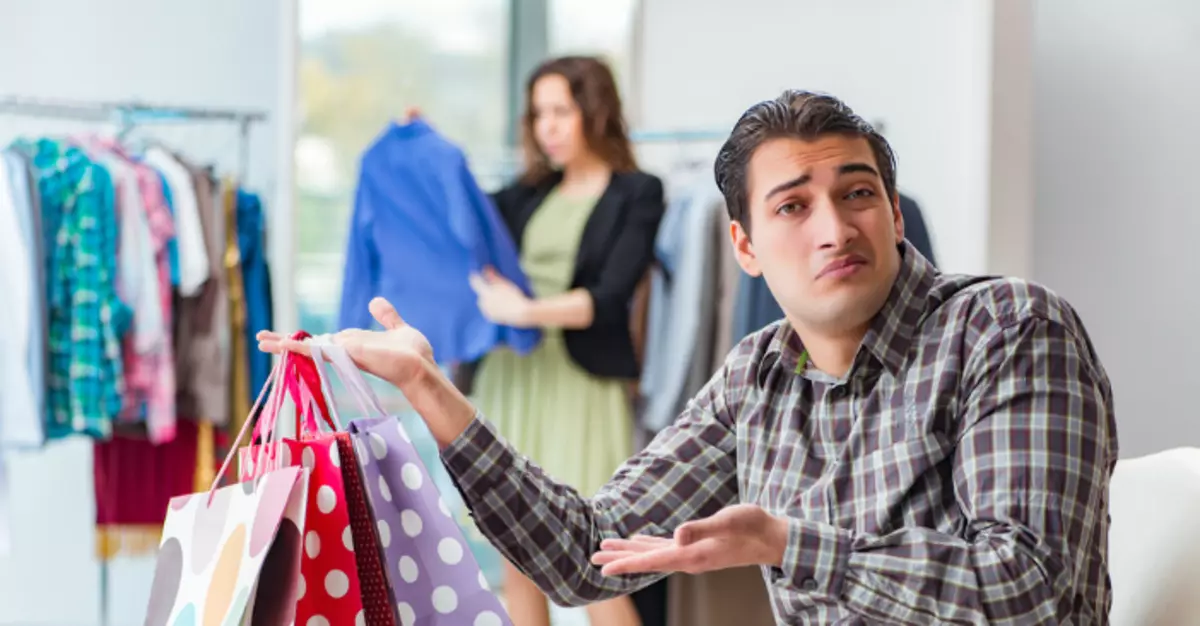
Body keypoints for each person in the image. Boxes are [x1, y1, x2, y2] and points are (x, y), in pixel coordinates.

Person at [260, 90, 1119, 624]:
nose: (834, 226)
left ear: (895, 215)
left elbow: (1031, 592)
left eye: (857, 194)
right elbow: (583, 555)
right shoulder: (758, 375)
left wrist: (789, 544)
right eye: (794, 206)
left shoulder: (1006, 328)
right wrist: (427, 385)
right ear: (744, 248)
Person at [439, 55, 666, 626]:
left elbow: (611, 296)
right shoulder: (522, 195)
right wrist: (426, 145)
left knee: (598, 556)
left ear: (595, 111)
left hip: (581, 386)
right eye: (540, 114)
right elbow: (454, 219)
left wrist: (526, 309)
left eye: (561, 111)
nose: (548, 127)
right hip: (513, 378)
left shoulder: (637, 192)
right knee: (516, 549)